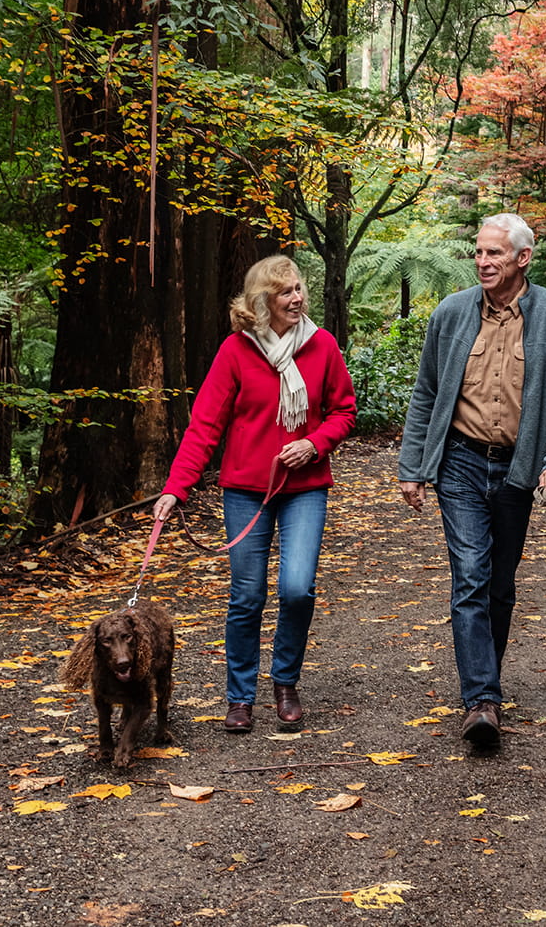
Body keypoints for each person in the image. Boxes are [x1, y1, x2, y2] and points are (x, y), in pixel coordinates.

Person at [397, 213, 546, 749]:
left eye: (494, 254)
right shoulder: (452, 313)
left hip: (518, 468)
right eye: (478, 252)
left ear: (523, 258)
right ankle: (481, 700)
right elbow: (426, 394)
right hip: (458, 460)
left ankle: (485, 681)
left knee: (500, 584)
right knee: (471, 576)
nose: (482, 261)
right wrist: (414, 468)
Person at [155, 255, 357, 734]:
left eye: (299, 289)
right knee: (247, 595)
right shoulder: (236, 351)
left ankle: (285, 682)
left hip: (305, 488)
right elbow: (205, 425)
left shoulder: (322, 345)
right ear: (262, 300)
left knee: (296, 588)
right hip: (245, 490)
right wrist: (175, 489)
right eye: (285, 291)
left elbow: (345, 412)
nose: (297, 298)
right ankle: (240, 697)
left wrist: (314, 443)